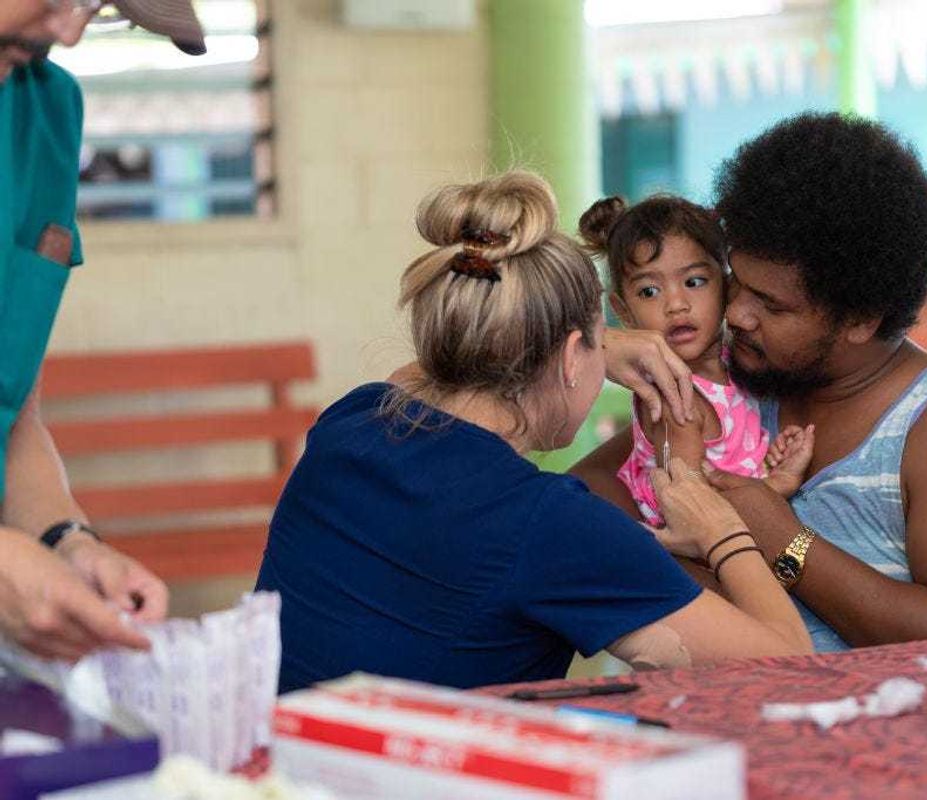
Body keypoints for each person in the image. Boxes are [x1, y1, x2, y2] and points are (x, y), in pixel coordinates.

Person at [255, 172, 811, 693]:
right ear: (573, 357)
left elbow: (419, 376)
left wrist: (596, 343)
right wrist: (722, 530)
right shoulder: (550, 525)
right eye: (602, 338)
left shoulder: (353, 419)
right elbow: (789, 667)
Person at [576, 112, 927, 652]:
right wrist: (600, 345)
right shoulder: (746, 377)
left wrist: (781, 539)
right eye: (736, 283)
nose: (740, 315)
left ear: (861, 319)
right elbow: (592, 489)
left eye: (771, 304)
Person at [0, 0, 206, 660]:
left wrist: (67, 541)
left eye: (96, 5)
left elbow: (13, 415)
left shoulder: (44, 106)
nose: (70, 30)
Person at [577, 195, 814, 526]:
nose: (676, 304)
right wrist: (774, 486)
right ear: (623, 312)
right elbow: (690, 511)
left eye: (694, 282)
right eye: (649, 291)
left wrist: (769, 460)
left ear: (727, 286)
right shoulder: (677, 401)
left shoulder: (736, 359)